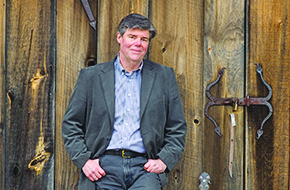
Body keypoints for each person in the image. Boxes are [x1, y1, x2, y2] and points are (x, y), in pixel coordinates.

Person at [62, 13, 187, 190]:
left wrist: (164, 160)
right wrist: (84, 161)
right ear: (119, 38)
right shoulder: (91, 77)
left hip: (145, 169)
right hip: (103, 167)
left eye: (144, 39)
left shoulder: (164, 77)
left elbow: (177, 127)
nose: (138, 43)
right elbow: (71, 124)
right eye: (132, 37)